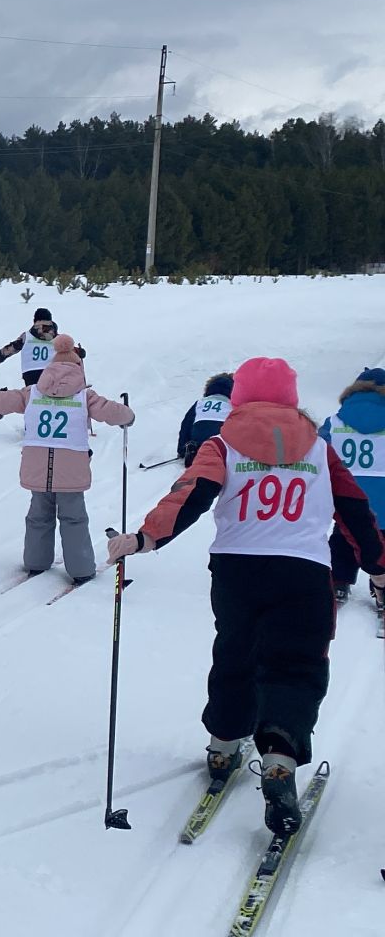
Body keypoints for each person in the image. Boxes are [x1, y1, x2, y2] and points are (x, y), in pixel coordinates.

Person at [109, 357, 385, 835]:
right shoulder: (319, 447)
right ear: (292, 398)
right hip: (303, 571)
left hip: (237, 569)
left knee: (236, 651)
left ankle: (222, 744)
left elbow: (191, 493)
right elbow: (355, 511)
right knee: (296, 664)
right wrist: (378, 567)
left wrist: (144, 538)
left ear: (239, 399)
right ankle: (279, 755)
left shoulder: (222, 442)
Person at [0, 333, 134, 583]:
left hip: (36, 467)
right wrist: (128, 416)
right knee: (73, 518)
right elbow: (114, 413)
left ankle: (36, 561)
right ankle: (81, 569)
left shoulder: (32, 392)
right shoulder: (85, 396)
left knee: (38, 515)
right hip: (71, 470)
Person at [318, 367, 385, 601]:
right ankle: (380, 585)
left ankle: (339, 580)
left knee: (344, 535)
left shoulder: (334, 421)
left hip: (346, 494)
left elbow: (318, 451)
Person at [0, 308, 62, 386]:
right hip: (51, 371)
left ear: (35, 320)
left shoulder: (26, 336)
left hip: (30, 372)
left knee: (32, 395)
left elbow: (12, 348)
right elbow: (69, 350)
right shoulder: (58, 338)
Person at [178, 373, 234, 467]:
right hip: (221, 444)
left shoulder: (200, 403)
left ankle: (193, 449)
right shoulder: (231, 405)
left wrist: (181, 449)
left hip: (200, 443)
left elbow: (186, 426)